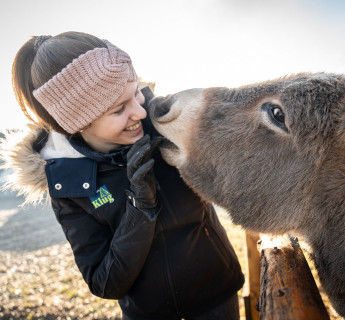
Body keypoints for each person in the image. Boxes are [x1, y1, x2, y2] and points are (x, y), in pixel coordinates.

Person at [1, 31, 244, 320]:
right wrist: (140, 209)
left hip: (218, 296)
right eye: (119, 109)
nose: (140, 112)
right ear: (75, 124)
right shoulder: (68, 184)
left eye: (136, 91)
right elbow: (104, 283)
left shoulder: (166, 122)